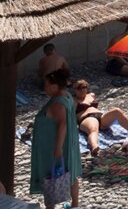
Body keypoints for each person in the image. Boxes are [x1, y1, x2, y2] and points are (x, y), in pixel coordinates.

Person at [30, 68, 82, 208]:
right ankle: (75, 205)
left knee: (50, 177)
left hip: (54, 145)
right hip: (68, 143)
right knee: (70, 173)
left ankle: (51, 207)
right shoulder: (66, 95)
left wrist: (58, 148)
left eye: (47, 84)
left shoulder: (58, 103)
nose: (44, 87)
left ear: (55, 86)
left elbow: (62, 124)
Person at [72, 79, 128, 152]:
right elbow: (70, 115)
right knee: (93, 129)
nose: (82, 90)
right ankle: (94, 146)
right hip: (87, 118)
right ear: (75, 90)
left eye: (84, 87)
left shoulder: (91, 95)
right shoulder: (73, 100)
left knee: (117, 111)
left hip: (100, 116)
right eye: (79, 88)